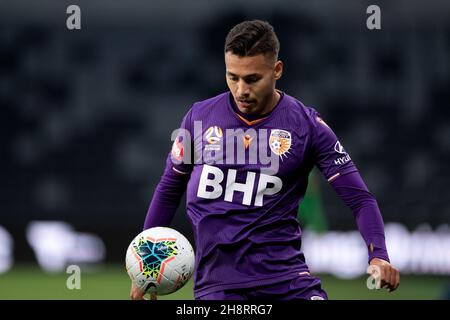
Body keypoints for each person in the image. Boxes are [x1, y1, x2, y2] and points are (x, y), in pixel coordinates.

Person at [130, 19, 400, 300]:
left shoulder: (307, 126)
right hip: (220, 288)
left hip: (288, 281)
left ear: (277, 70)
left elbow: (360, 199)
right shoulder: (198, 118)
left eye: (252, 79)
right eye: (232, 77)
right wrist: (145, 266)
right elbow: (169, 188)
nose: (241, 90)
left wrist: (378, 255)